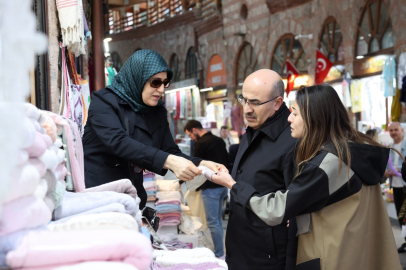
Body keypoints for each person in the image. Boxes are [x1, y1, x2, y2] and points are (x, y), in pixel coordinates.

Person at [212, 84, 401, 270]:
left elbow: (275, 209)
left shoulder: (329, 163)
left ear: (314, 118)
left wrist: (233, 185)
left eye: (295, 113)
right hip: (358, 251)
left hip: (332, 256)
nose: (289, 119)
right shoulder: (355, 149)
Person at [82, 50, 227, 209]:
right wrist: (169, 161)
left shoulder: (155, 110)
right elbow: (118, 142)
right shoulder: (104, 101)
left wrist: (202, 163)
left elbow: (170, 150)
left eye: (165, 83)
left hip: (133, 200)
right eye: (155, 82)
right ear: (138, 77)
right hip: (100, 199)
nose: (161, 89)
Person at [202, 69, 297, 269]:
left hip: (267, 257)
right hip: (240, 249)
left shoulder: (292, 140)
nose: (246, 109)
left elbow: (294, 207)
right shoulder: (253, 130)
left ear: (278, 103)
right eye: (243, 100)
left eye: (254, 102)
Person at [184, 120, 229, 258]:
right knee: (218, 221)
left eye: (190, 135)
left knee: (213, 222)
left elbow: (195, 165)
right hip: (223, 186)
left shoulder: (201, 143)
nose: (191, 138)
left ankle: (220, 254)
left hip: (210, 188)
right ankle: (222, 251)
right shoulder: (219, 140)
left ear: (194, 130)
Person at [384, 122, 406, 252]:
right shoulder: (390, 148)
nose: (393, 132)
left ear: (402, 130)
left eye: (396, 130)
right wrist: (386, 172)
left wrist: (397, 170)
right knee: (400, 215)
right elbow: (387, 166)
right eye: (391, 130)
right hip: (397, 187)